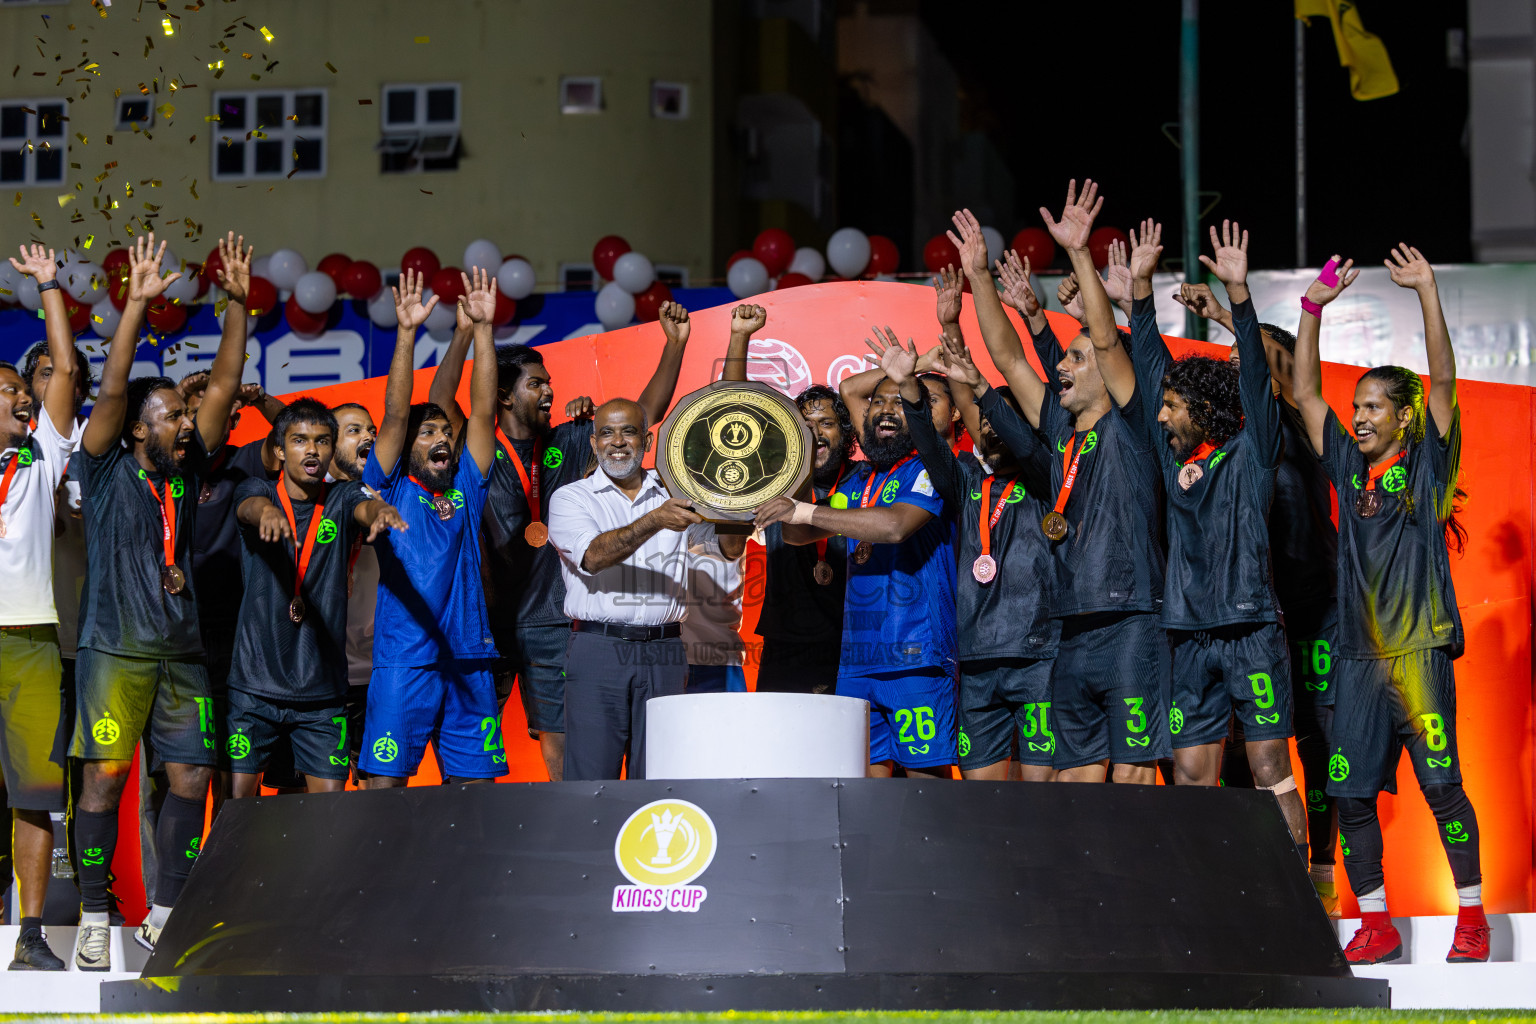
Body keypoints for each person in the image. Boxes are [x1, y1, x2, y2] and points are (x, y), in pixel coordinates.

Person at [1293, 246, 1488, 964]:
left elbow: (1442, 379)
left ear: (1405, 420)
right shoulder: (1349, 467)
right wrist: (1311, 309)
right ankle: (1374, 923)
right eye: (1359, 408)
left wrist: (1428, 292)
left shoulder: (1428, 466)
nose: (1361, 416)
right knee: (1349, 801)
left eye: (1374, 406)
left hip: (1419, 657)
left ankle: (1472, 917)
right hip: (1356, 663)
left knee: (1443, 788)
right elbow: (1308, 394)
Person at [68, 231, 250, 968]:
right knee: (104, 781)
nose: (185, 420)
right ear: (139, 427)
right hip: (114, 648)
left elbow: (229, 384)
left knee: (192, 777)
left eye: (184, 414)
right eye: (172, 413)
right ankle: (91, 916)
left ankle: (168, 915)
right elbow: (113, 388)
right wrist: (138, 304)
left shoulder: (184, 469)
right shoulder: (107, 465)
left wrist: (237, 302)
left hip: (180, 650)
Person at [428, 299, 691, 781]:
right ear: (504, 395)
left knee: (565, 751)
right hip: (487, 620)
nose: (550, 390)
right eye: (537, 383)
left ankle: (570, 833)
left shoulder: (573, 440)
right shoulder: (478, 441)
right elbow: (441, 401)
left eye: (549, 381)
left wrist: (673, 346)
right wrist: (465, 333)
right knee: (468, 748)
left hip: (553, 621)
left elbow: (643, 417)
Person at [965, 191, 1170, 784]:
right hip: (1070, 630)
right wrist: (980, 275)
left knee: (1132, 783)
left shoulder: (1131, 425)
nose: (1062, 363)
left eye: (1075, 358)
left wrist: (1079, 252)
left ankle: (1142, 881)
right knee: (1076, 790)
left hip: (1133, 623)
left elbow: (1107, 339)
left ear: (1107, 373)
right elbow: (1008, 358)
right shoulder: (1059, 430)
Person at [1121, 220, 1308, 855]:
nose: (1163, 413)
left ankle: (1301, 907)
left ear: (1201, 410)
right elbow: (1149, 370)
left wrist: (1240, 298)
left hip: (1251, 630)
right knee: (1192, 774)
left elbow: (1256, 379)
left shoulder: (1252, 453)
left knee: (1267, 770)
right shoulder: (1176, 461)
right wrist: (1140, 294)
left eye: (1174, 406)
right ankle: (1205, 903)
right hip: (1187, 633)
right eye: (1165, 406)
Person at [1174, 281, 1342, 916]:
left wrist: (1294, 319)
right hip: (1255, 607)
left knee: (1317, 743)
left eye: (1276, 356)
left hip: (1314, 605)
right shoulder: (1235, 443)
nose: (1260, 363)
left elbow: (1294, 378)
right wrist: (1224, 318)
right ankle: (1245, 888)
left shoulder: (1304, 417)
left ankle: (1319, 883)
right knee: (1244, 747)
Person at [756, 336, 958, 780]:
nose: (885, 409)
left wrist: (806, 510)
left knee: (925, 788)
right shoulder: (860, 479)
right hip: (857, 659)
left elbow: (893, 527)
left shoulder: (928, 468)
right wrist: (798, 479)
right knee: (862, 787)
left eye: (900, 402)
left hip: (915, 656)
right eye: (878, 402)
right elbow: (797, 536)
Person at [547, 399, 747, 780]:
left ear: (648, 439)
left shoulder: (676, 492)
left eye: (629, 431)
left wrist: (738, 502)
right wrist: (654, 520)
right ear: (593, 443)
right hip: (598, 650)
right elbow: (592, 556)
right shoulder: (572, 497)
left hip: (666, 651)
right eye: (606, 432)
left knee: (659, 777)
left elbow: (729, 548)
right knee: (591, 780)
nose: (617, 442)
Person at [358, 269, 503, 786]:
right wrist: (405, 334)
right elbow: (395, 414)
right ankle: (383, 871)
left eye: (445, 430)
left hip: (470, 661)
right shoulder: (390, 485)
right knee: (384, 789)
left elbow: (483, 411)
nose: (440, 437)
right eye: (428, 433)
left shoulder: (466, 481)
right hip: (405, 663)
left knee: (476, 797)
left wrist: (483, 329)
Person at [899, 318, 1058, 782]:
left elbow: (1026, 446)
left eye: (1000, 417)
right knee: (980, 800)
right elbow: (931, 448)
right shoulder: (969, 479)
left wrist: (985, 392)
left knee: (1042, 799)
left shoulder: (1049, 477)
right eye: (985, 420)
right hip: (977, 659)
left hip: (1038, 657)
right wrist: (911, 390)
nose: (989, 425)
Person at [226, 400, 405, 795]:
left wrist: (379, 511)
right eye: (300, 440)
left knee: (329, 814)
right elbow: (248, 506)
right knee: (237, 809)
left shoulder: (341, 496)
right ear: (278, 450)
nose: (312, 450)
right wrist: (264, 514)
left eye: (322, 441)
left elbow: (363, 505)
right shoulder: (259, 490)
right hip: (255, 685)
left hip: (322, 693)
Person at [0, 243, 85, 970]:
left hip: (30, 637)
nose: (22, 396)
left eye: (22, 391)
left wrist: (50, 286)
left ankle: (30, 936)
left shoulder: (44, 455)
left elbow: (63, 367)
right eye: (7, 389)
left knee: (33, 792)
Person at [328, 402, 381, 785]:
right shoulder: (306, 500)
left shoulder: (387, 495)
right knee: (310, 796)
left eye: (371, 429)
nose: (368, 436)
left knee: (373, 789)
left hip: (376, 674)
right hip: (319, 679)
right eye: (354, 430)